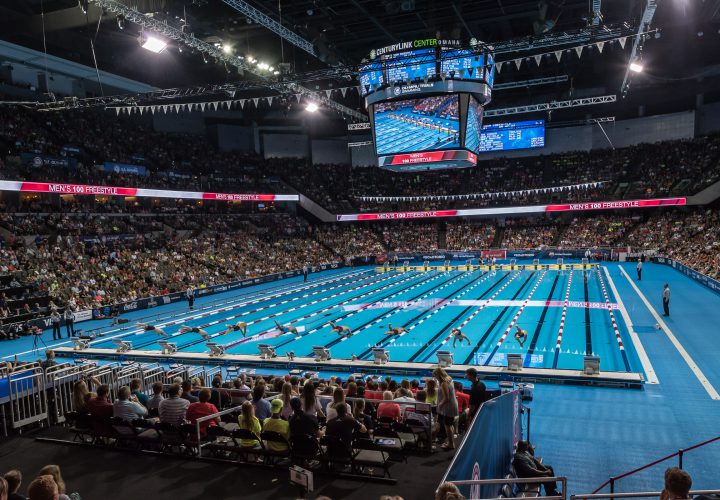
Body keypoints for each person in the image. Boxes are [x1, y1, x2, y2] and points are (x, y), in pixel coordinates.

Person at [434, 367, 458, 450]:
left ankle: (451, 444)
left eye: (435, 376)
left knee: (447, 425)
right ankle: (450, 441)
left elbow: (446, 398)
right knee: (449, 424)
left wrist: (439, 404)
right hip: (451, 405)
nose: (435, 378)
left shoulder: (444, 383)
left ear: (438, 375)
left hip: (448, 406)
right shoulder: (449, 379)